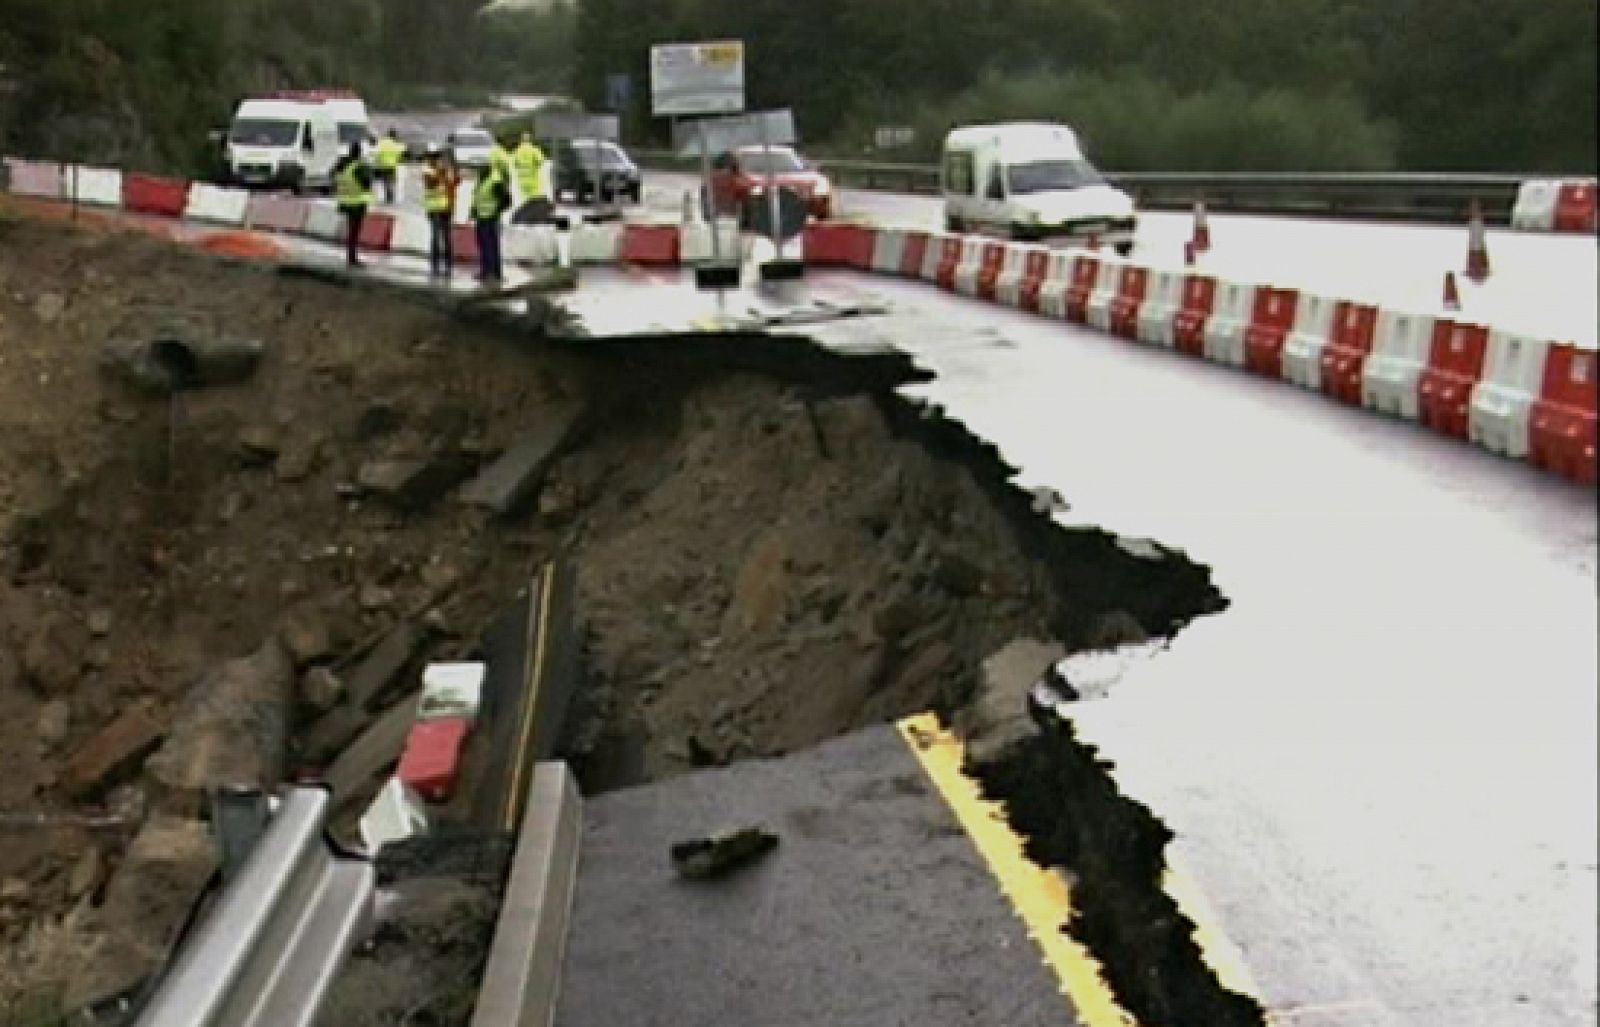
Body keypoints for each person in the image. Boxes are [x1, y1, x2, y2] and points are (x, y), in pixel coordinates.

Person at [470, 159, 512, 284]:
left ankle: (493, 273)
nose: (479, 172)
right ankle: (487, 271)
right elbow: (477, 199)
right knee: (483, 246)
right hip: (481, 218)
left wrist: (497, 211)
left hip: (491, 218)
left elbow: (507, 200)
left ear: (487, 170)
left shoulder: (495, 182)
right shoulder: (481, 183)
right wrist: (473, 211)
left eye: (481, 169)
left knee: (491, 247)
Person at [332, 143, 373, 267]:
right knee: (354, 231)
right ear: (359, 153)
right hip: (357, 202)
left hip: (344, 201)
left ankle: (351, 256)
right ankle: (352, 258)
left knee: (351, 230)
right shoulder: (359, 167)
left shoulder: (341, 165)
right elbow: (367, 182)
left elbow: (333, 177)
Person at [422, 147, 459, 276]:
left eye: (438, 158)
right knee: (436, 237)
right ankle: (435, 266)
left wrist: (453, 169)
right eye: (435, 158)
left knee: (447, 237)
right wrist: (443, 172)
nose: (437, 160)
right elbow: (431, 183)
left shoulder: (445, 170)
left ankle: (448, 266)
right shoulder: (428, 170)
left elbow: (455, 182)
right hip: (434, 208)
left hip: (446, 207)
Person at [373, 128, 406, 203]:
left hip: (382, 165)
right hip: (392, 166)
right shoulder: (396, 144)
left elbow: (376, 152)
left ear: (388, 134)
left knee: (384, 181)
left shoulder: (382, 142)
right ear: (394, 135)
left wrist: (377, 159)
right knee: (390, 181)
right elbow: (402, 153)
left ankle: (387, 194)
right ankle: (389, 194)